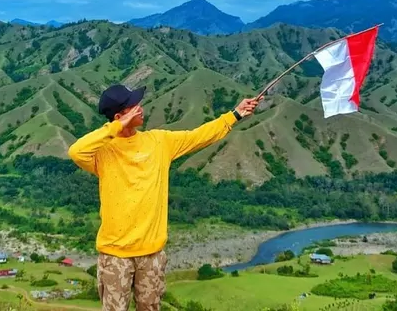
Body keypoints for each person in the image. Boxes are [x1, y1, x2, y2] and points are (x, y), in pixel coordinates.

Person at [67, 83, 262, 310]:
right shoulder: (103, 151)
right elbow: (76, 151)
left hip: (152, 254)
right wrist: (116, 127)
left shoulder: (159, 142)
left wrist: (235, 115)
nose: (140, 108)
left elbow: (198, 137)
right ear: (120, 115)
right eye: (133, 106)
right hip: (114, 255)